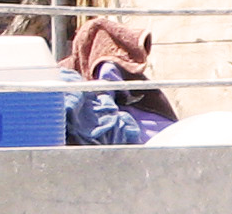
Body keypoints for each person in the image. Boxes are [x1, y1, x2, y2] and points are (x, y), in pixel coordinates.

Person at [64, 17, 176, 146]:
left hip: (146, 134)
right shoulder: (74, 68)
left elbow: (106, 102)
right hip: (161, 133)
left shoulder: (107, 64)